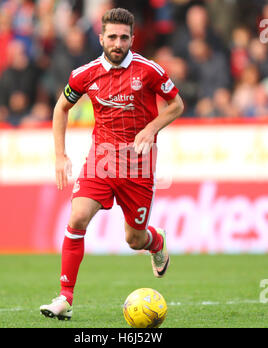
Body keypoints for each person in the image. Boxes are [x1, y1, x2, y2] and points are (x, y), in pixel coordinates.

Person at [40, 8, 184, 321]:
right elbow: (61, 108)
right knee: (77, 217)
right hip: (101, 160)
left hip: (138, 165)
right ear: (101, 37)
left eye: (123, 37)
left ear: (132, 38)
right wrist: (59, 155)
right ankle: (65, 297)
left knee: (134, 239)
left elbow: (176, 105)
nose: (117, 43)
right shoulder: (84, 74)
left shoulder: (149, 71)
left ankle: (155, 241)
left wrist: (151, 127)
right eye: (112, 37)